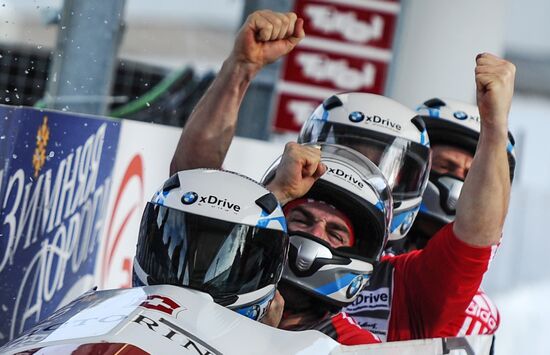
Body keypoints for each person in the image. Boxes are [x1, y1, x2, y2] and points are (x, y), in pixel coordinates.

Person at [170, 9, 516, 342]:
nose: (359, 170)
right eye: (302, 219)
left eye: (335, 231)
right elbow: (194, 190)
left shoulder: (402, 291)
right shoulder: (251, 235)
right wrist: (240, 69)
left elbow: (475, 239)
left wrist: (495, 127)